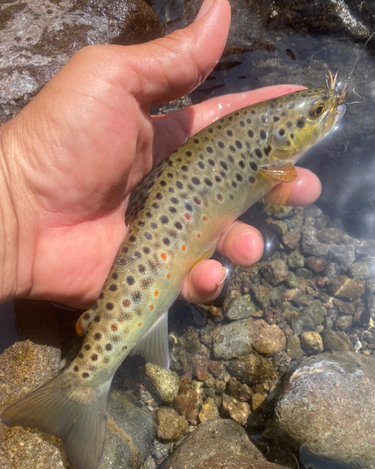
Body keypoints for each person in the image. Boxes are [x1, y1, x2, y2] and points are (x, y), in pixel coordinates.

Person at [0, 0, 320, 310]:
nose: (324, 114)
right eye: (318, 112)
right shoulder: (276, 164)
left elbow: (280, 175)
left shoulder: (273, 160)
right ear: (281, 139)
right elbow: (281, 178)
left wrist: (15, 196)